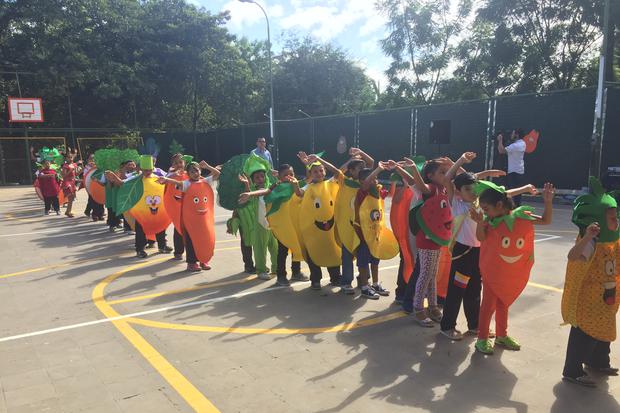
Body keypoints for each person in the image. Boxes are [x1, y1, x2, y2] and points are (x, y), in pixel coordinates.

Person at [470, 181, 554, 354]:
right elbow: (481, 238)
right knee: (488, 305)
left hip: (509, 271)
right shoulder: (489, 220)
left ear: (499, 205)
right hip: (493, 271)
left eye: (486, 208)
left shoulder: (520, 217)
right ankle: (482, 338)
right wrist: (480, 222)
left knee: (504, 301)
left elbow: (546, 221)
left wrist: (548, 202)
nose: (484, 212)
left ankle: (502, 334)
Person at [561, 177, 619, 387]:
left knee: (604, 331)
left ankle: (598, 362)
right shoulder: (591, 242)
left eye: (616, 216)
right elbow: (572, 256)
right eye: (611, 218)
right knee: (583, 334)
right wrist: (587, 238)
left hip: (607, 297)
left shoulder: (613, 240)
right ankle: (572, 370)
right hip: (589, 300)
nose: (616, 221)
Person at [239, 163, 307, 286]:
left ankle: (296, 272)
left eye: (291, 174)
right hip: (280, 226)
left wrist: (307, 165)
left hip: (294, 225)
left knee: (296, 248)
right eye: (285, 175)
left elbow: (306, 184)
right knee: (282, 250)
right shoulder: (276, 186)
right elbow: (265, 191)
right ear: (279, 177)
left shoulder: (295, 185)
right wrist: (249, 193)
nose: (289, 177)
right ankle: (281, 275)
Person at [160, 161, 220, 271]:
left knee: (204, 239)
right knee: (191, 240)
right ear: (188, 173)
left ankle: (203, 260)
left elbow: (217, 174)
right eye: (192, 172)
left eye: (196, 171)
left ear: (200, 171)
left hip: (203, 219)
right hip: (191, 220)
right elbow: (178, 183)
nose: (195, 173)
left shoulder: (205, 181)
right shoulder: (187, 184)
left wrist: (207, 166)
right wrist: (167, 179)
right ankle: (192, 263)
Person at [334, 148, 374, 295]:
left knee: (364, 253)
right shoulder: (346, 182)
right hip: (348, 225)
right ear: (351, 171)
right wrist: (351, 160)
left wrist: (361, 152)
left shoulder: (365, 183)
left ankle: (363, 280)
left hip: (363, 225)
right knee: (348, 253)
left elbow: (372, 162)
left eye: (364, 168)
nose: (363, 170)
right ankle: (346, 282)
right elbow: (338, 171)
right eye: (359, 168)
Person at [352, 163, 394, 299]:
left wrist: (395, 178)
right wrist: (379, 168)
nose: (375, 181)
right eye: (372, 179)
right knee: (363, 262)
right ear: (362, 181)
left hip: (375, 233)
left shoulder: (377, 192)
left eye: (376, 179)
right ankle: (364, 287)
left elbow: (391, 194)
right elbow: (366, 184)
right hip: (363, 234)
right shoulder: (362, 193)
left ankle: (375, 284)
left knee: (375, 259)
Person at [497, 129, 526, 206]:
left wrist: (500, 140)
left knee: (515, 193)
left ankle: (515, 209)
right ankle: (515, 208)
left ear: (517, 135)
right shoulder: (521, 143)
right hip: (516, 171)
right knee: (516, 192)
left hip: (515, 172)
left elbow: (501, 150)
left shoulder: (517, 145)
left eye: (512, 134)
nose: (511, 135)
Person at [60, 149, 81, 218]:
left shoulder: (74, 164)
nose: (70, 158)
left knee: (72, 198)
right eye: (68, 157)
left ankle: (68, 211)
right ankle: (68, 211)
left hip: (72, 182)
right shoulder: (65, 166)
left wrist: (82, 170)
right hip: (67, 182)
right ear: (66, 158)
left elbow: (76, 174)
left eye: (71, 157)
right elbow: (64, 175)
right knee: (70, 197)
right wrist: (71, 170)